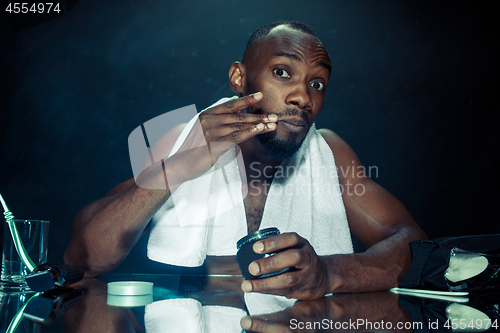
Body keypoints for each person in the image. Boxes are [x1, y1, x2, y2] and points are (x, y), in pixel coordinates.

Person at [64, 21, 427, 300]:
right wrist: (176, 169)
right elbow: (85, 260)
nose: (303, 96)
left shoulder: (329, 153)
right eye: (282, 72)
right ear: (240, 77)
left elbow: (413, 242)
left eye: (317, 84)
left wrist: (329, 273)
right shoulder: (183, 139)